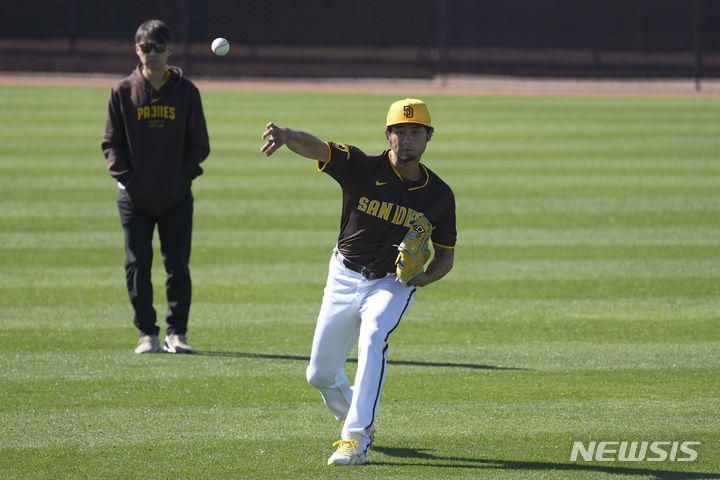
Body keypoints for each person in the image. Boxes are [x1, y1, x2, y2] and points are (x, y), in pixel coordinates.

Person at [261, 98, 456, 466]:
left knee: (373, 336)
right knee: (319, 374)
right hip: (343, 275)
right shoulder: (362, 167)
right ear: (388, 135)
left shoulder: (439, 196)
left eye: (416, 132)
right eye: (400, 131)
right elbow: (319, 147)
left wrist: (425, 278)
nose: (407, 139)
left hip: (391, 284)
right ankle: (352, 415)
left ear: (429, 137)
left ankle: (355, 439)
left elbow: (446, 252)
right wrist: (287, 136)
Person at [101, 19, 210, 354]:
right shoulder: (122, 91)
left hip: (176, 197)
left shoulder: (187, 92)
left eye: (158, 47)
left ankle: (176, 333)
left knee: (177, 266)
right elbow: (111, 144)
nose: (152, 53)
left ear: (169, 50)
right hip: (133, 198)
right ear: (137, 50)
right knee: (137, 265)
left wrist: (181, 179)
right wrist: (129, 180)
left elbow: (199, 145)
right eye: (146, 47)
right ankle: (147, 333)